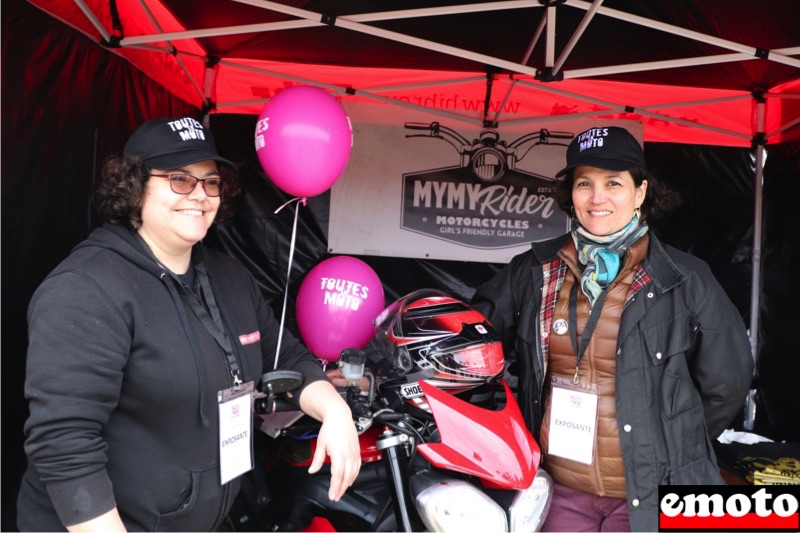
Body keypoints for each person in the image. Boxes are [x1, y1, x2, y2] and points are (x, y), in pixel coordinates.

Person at [17, 116, 361, 532]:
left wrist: (334, 410)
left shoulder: (231, 278)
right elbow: (64, 444)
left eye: (210, 181)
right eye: (180, 179)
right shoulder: (86, 288)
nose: (200, 195)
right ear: (134, 185)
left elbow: (286, 355)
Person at [470, 126, 754, 532]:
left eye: (613, 183)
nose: (597, 197)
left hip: (653, 492)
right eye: (584, 182)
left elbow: (727, 382)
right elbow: (471, 332)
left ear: (640, 192)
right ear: (570, 193)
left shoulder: (685, 278)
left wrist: (674, 438)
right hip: (560, 491)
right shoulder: (534, 271)